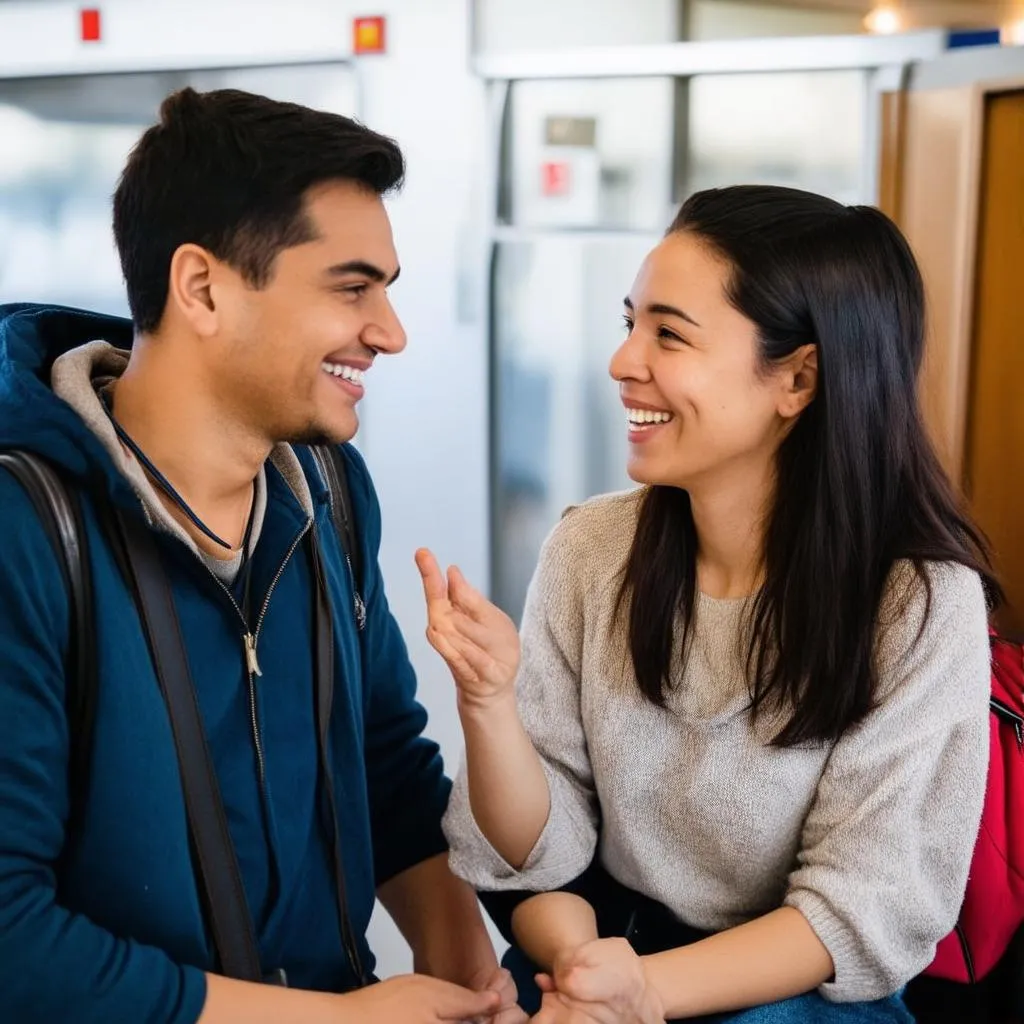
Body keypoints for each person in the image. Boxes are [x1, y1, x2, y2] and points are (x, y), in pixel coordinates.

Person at [0, 88, 523, 1024]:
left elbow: (388, 768)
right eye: (352, 287)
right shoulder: (23, 529)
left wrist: (471, 976)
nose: (390, 332)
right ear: (200, 287)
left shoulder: (329, 494)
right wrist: (337, 1022)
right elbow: (12, 941)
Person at [418, 185, 999, 1023]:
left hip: (798, 996)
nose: (623, 362)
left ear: (797, 378)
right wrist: (487, 705)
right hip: (598, 960)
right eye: (630, 324)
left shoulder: (915, 604)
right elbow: (534, 860)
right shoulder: (591, 550)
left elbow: (862, 905)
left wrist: (642, 992)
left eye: (669, 334)